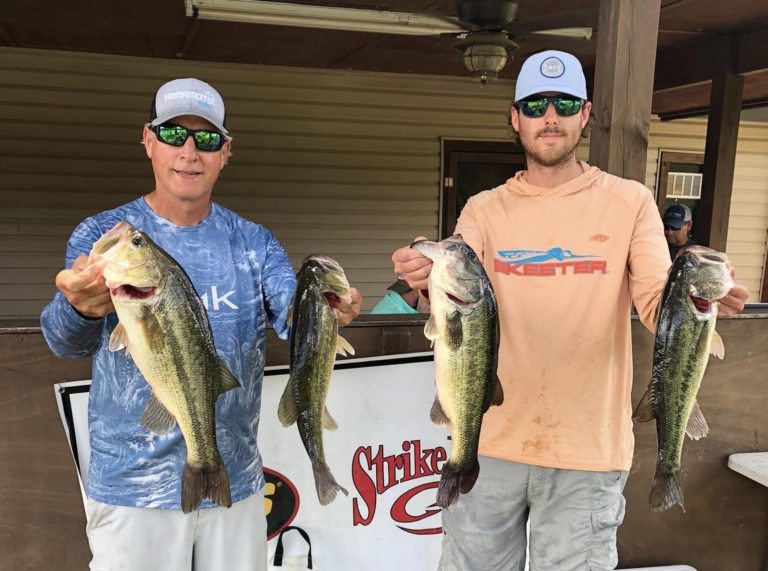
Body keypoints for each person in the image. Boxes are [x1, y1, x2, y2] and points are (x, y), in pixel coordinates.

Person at [392, 50, 749, 570]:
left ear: (585, 115)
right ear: (515, 118)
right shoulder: (482, 209)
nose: (550, 117)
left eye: (564, 104)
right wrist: (425, 279)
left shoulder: (630, 202)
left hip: (589, 451)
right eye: (535, 105)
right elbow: (457, 298)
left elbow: (657, 304)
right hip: (487, 440)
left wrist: (700, 304)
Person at [40, 77, 361, 571]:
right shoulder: (103, 235)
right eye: (173, 134)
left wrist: (327, 309)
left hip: (234, 478)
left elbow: (293, 316)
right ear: (148, 140)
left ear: (225, 152)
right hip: (131, 486)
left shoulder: (254, 242)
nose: (189, 152)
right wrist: (79, 307)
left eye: (206, 139)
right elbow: (64, 342)